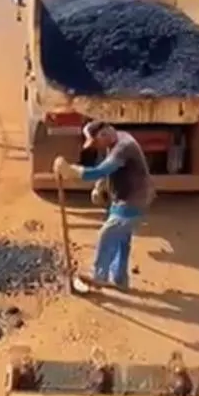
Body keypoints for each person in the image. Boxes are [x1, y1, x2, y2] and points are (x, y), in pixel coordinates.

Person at [54, 122, 154, 291]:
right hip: (122, 196)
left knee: (107, 234)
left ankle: (99, 276)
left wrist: (72, 171)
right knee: (122, 240)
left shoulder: (124, 147)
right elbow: (109, 170)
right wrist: (100, 187)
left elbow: (101, 170)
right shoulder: (116, 140)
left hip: (133, 199)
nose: (96, 147)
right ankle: (120, 279)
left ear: (104, 134)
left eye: (95, 142)